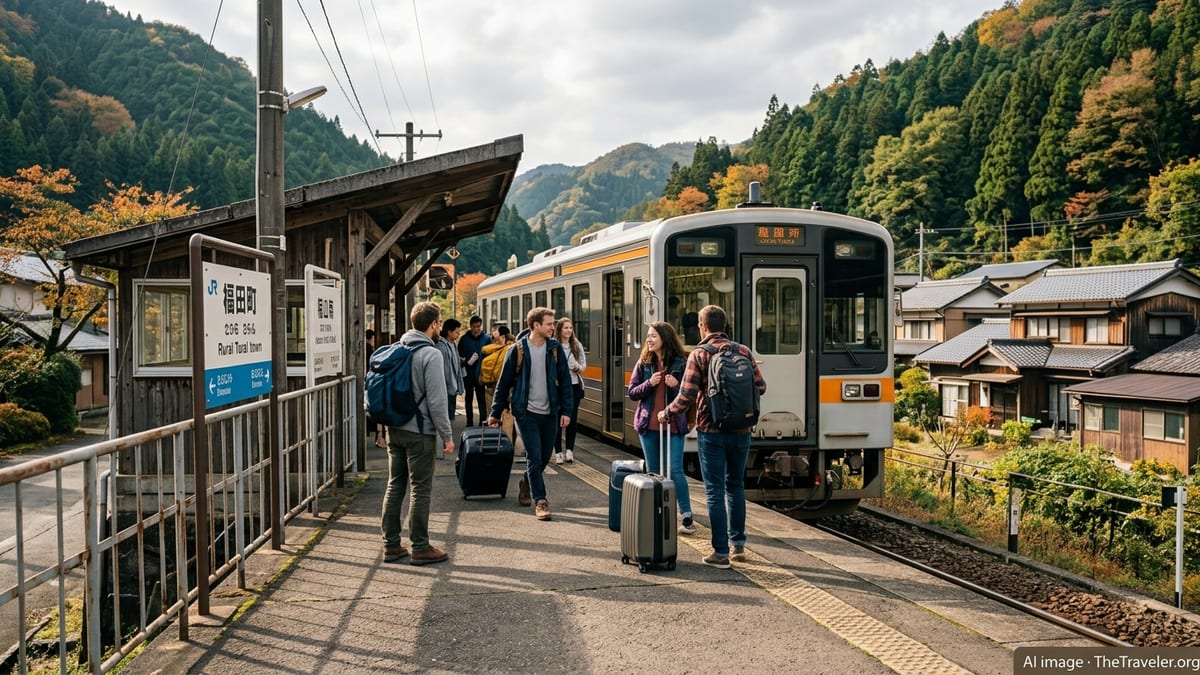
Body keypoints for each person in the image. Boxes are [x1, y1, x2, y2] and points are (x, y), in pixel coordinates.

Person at [659, 305, 765, 569]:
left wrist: (667, 412)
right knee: (736, 486)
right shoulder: (743, 351)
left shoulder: (700, 354)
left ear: (702, 325)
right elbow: (760, 387)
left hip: (711, 431)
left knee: (714, 490)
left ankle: (720, 552)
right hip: (742, 430)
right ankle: (738, 545)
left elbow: (686, 397)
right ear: (725, 325)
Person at [381, 301, 455, 566]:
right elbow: (437, 401)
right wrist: (447, 436)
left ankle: (391, 545)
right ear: (434, 324)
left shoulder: (396, 348)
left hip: (395, 429)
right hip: (420, 432)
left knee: (395, 485)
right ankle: (420, 547)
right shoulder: (430, 354)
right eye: (439, 323)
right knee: (420, 490)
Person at [488, 307, 573, 521]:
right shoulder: (517, 350)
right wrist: (495, 413)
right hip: (525, 413)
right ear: (536, 325)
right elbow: (503, 383)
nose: (553, 327)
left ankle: (527, 481)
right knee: (534, 456)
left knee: (544, 457)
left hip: (550, 412)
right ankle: (541, 501)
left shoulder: (554, 349)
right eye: (549, 324)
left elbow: (565, 383)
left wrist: (566, 411)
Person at [627, 321, 694, 535]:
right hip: (649, 424)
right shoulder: (644, 362)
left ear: (665, 337)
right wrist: (650, 383)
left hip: (674, 424)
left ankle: (686, 515)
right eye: (648, 336)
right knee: (654, 470)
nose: (649, 340)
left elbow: (691, 392)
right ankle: (656, 512)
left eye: (653, 336)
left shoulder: (681, 361)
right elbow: (632, 392)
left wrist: (677, 385)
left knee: (675, 469)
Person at [553, 316, 586, 465]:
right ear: (559, 330)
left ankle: (570, 451)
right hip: (558, 387)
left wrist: (578, 368)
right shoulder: (554, 346)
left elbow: (583, 364)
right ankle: (558, 452)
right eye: (565, 328)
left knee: (571, 419)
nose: (569, 331)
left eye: (570, 328)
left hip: (573, 386)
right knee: (558, 420)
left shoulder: (576, 345)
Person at [457, 315, 491, 427]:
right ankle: (469, 421)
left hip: (481, 373)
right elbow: (459, 356)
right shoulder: (464, 339)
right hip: (468, 373)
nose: (477, 329)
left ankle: (482, 421)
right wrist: (465, 360)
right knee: (469, 398)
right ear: (470, 326)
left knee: (481, 398)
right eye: (474, 327)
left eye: (478, 326)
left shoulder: (486, 339)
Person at [436, 318, 465, 425]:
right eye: (456, 332)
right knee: (446, 418)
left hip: (452, 386)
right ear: (449, 332)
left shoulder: (452, 344)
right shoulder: (441, 346)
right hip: (446, 387)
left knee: (450, 417)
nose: (458, 334)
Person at [366, 329, 386, 449]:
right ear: (370, 339)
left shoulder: (366, 350)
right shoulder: (370, 351)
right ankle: (380, 437)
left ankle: (380, 438)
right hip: (373, 383)